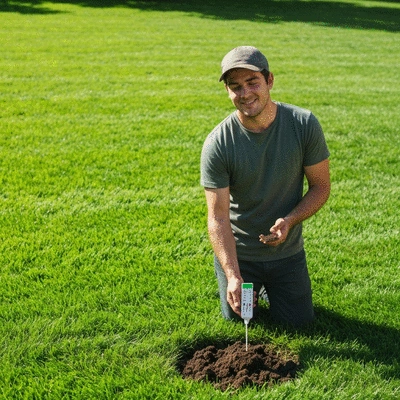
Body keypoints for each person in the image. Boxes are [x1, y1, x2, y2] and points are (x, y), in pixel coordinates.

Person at [200, 46, 330, 326]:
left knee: (299, 325)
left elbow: (321, 187)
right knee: (238, 320)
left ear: (269, 80)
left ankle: (275, 290)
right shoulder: (218, 143)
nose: (245, 94)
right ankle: (247, 284)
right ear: (228, 91)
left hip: (287, 254)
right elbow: (218, 216)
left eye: (252, 83)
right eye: (235, 87)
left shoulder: (303, 124)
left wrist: (291, 220)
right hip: (241, 255)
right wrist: (233, 274)